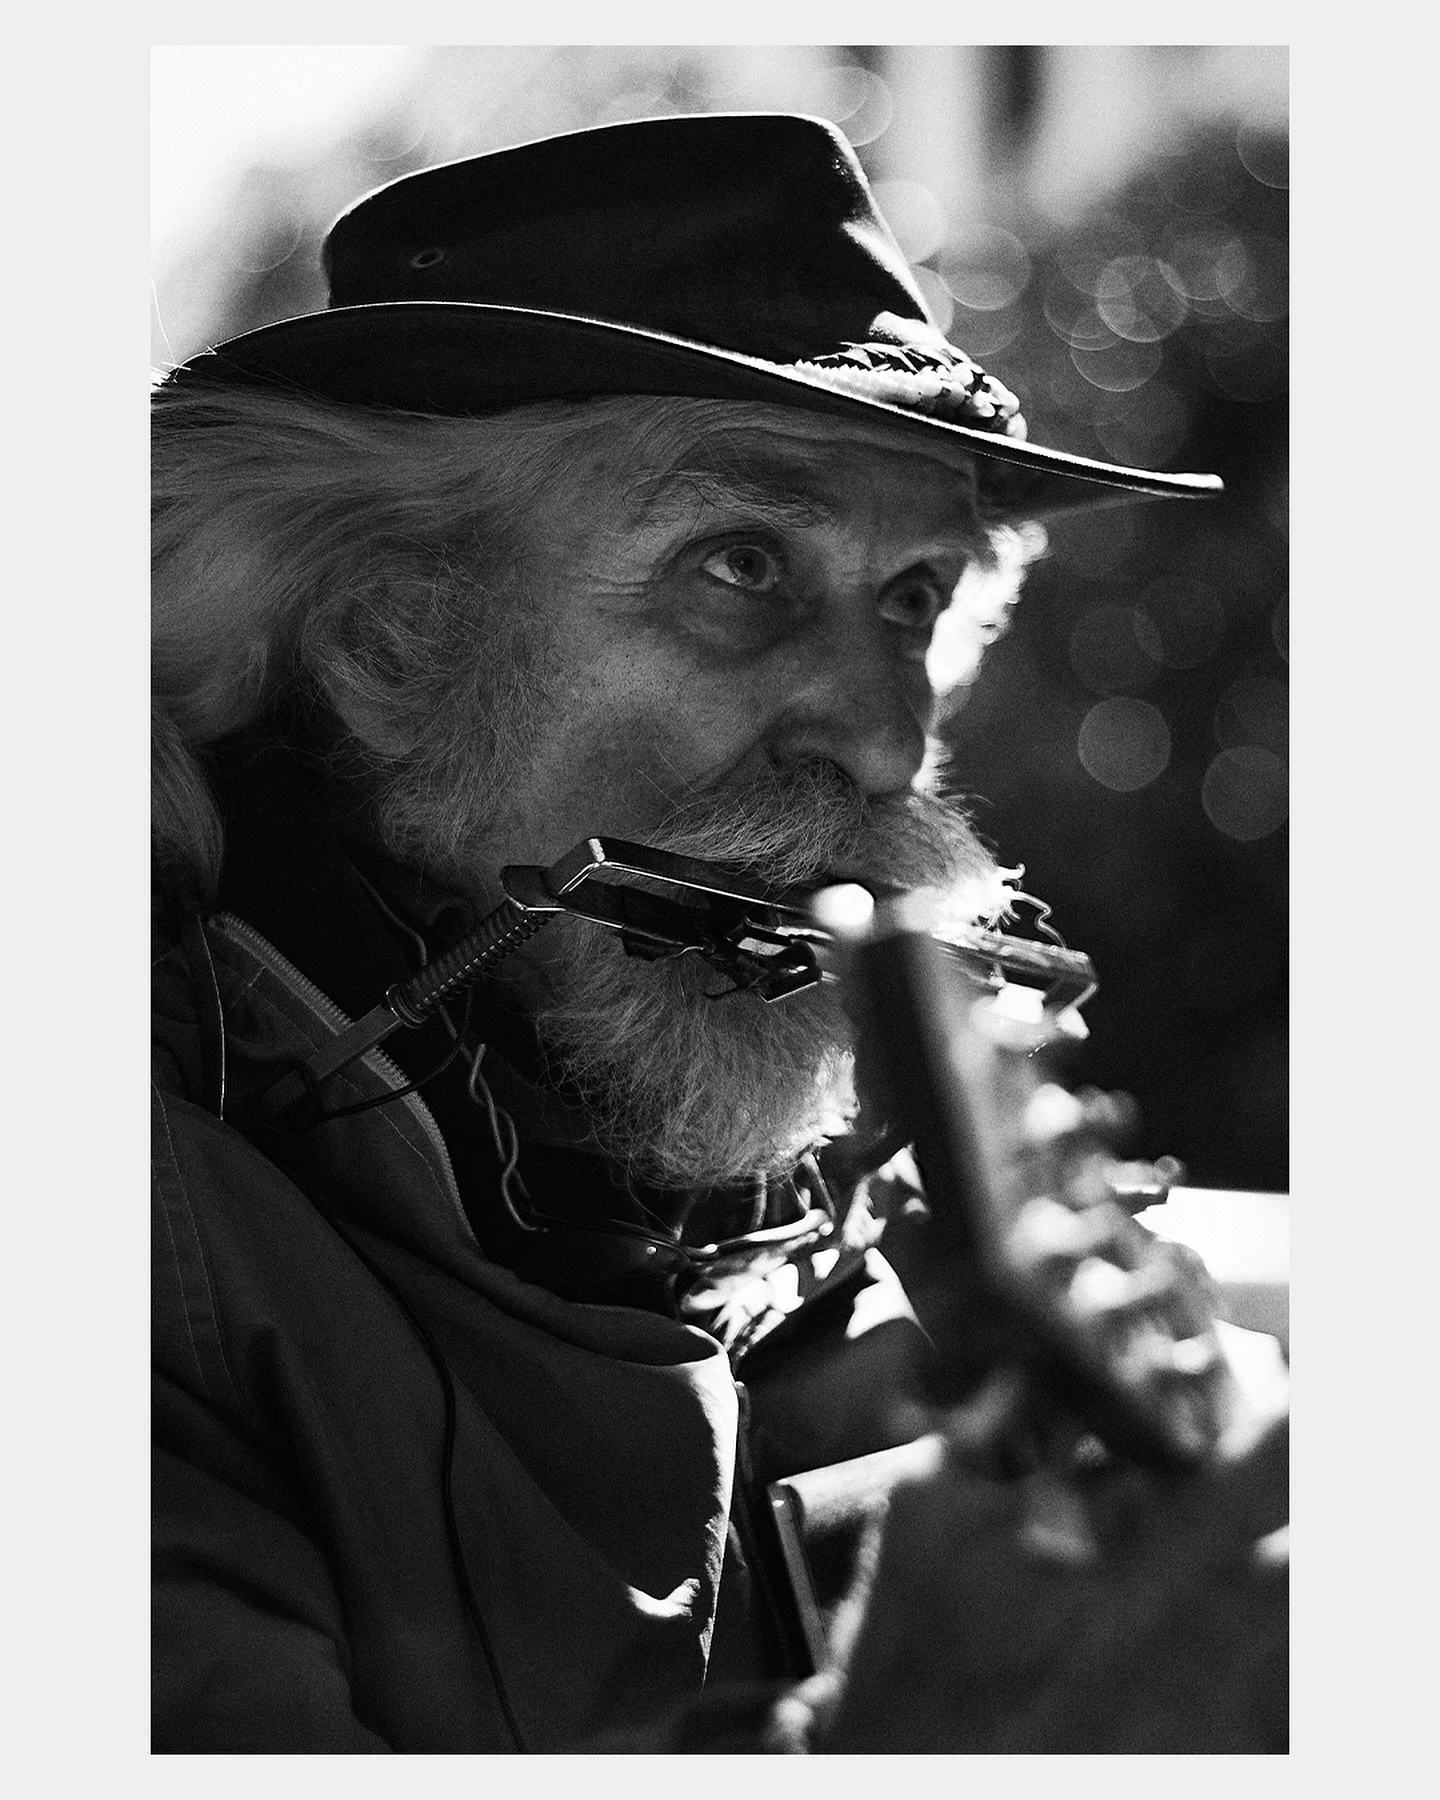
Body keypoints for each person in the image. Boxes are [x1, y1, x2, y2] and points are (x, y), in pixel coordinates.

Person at [152, 111, 1287, 1753]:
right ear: (382, 632)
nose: (885, 742)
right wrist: (922, 1731)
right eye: (743, 565)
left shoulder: (877, 1232)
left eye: (913, 597)